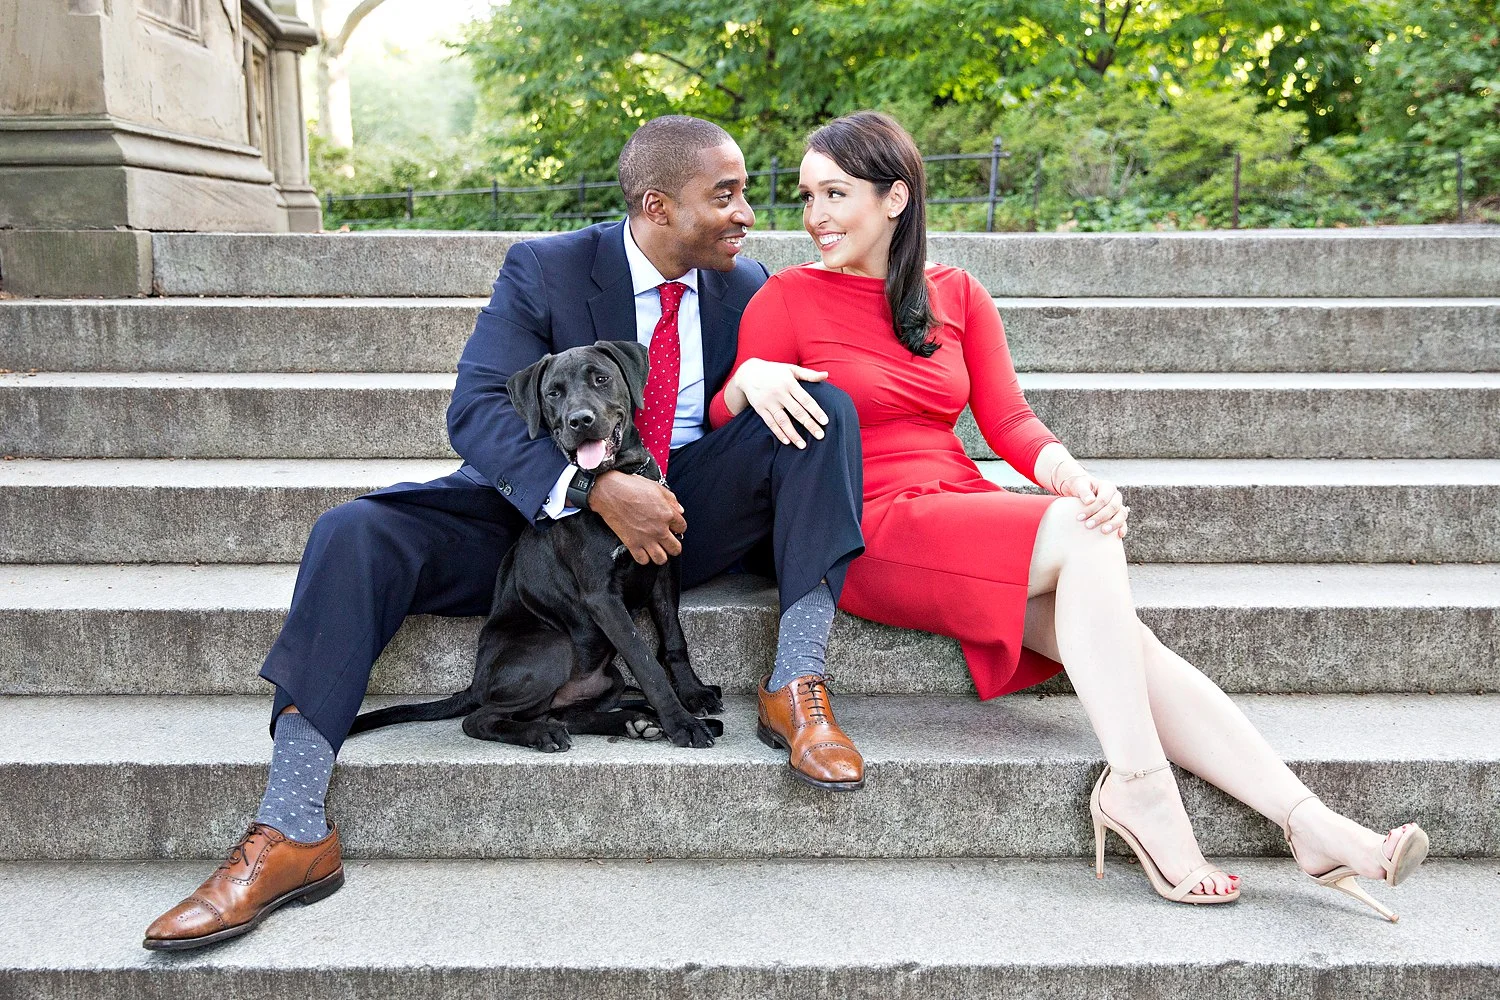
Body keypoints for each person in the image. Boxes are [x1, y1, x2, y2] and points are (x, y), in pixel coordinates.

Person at [142, 115, 868, 951]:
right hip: (529, 521)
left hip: (681, 519)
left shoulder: (748, 288)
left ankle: (796, 685)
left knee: (824, 410)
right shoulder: (548, 267)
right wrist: (593, 490)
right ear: (659, 205)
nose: (748, 215)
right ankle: (293, 824)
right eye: (727, 196)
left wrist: (767, 374)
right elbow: (478, 409)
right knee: (354, 533)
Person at [708, 110, 1429, 914]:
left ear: (896, 198)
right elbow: (731, 440)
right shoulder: (786, 298)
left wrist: (1076, 478)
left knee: (1126, 638)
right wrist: (746, 383)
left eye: (835, 194)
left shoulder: (956, 294)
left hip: (960, 505)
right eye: (807, 197)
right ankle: (1144, 793)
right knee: (1083, 545)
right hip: (870, 523)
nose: (815, 217)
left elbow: (1010, 421)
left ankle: (1309, 821)